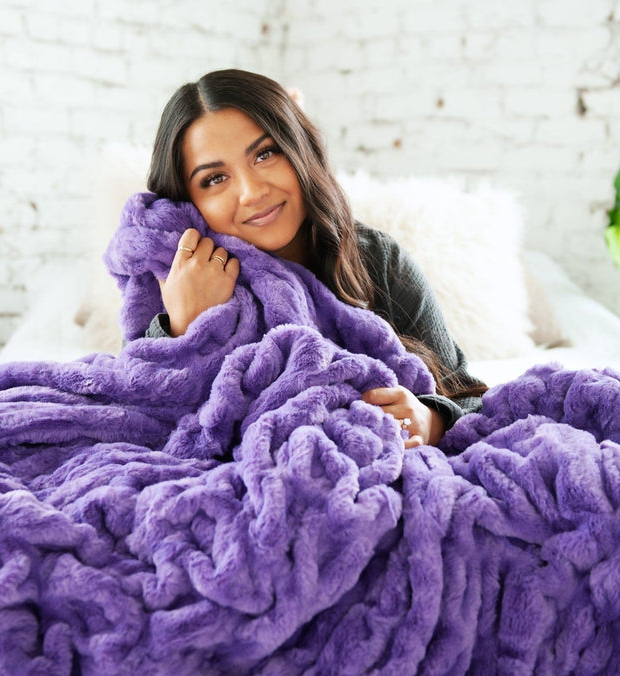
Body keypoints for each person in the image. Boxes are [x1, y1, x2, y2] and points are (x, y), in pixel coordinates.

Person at [144, 68, 487, 447]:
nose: (251, 192)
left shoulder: (377, 261)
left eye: (265, 153)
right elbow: (141, 412)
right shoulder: (179, 278)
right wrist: (183, 329)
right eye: (214, 179)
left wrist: (431, 418)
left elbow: (470, 398)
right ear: (187, 202)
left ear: (300, 150)